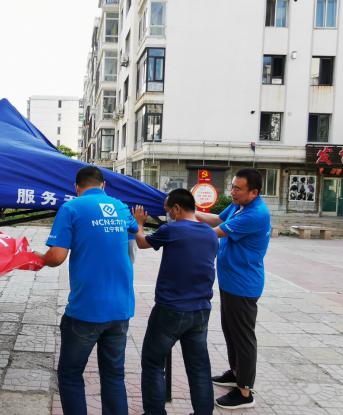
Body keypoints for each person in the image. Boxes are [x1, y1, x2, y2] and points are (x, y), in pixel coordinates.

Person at [37, 166, 138, 415]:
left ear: (76, 187)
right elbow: (135, 231)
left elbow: (56, 256)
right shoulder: (120, 206)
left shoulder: (72, 208)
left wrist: (35, 258)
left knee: (70, 374)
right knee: (114, 375)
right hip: (121, 309)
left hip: (86, 310)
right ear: (104, 185)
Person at [133, 189, 218, 415]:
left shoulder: (172, 229)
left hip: (170, 310)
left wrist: (139, 223)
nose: (167, 215)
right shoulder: (211, 234)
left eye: (168, 210)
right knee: (199, 368)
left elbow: (142, 243)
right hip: (200, 310)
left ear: (177, 208)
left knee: (153, 363)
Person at [195, 168, 271, 410]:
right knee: (230, 331)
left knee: (243, 337)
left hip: (243, 285)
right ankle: (235, 372)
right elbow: (218, 219)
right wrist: (191, 212)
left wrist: (184, 223)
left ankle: (245, 392)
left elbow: (214, 233)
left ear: (254, 192)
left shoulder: (255, 214)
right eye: (232, 187)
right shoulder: (239, 206)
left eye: (238, 189)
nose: (232, 192)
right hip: (231, 282)